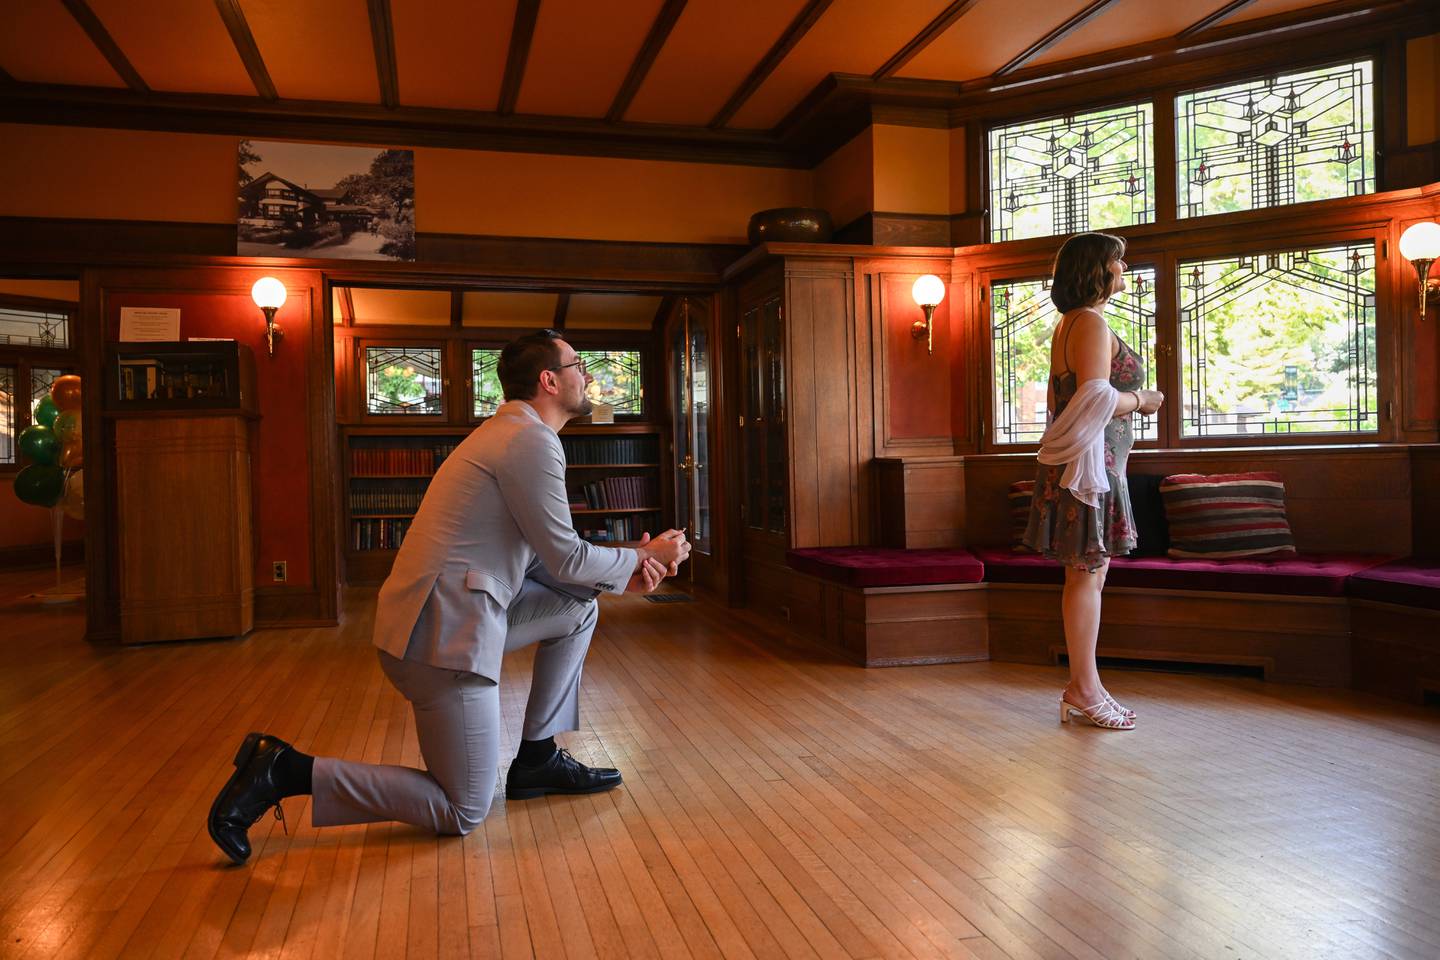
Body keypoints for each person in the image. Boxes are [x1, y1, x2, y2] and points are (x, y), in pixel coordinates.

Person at [208, 329, 691, 864]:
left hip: (437, 621)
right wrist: (650, 560)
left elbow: (541, 559)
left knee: (577, 609)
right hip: (442, 640)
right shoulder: (530, 440)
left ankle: (537, 756)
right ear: (550, 380)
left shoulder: (508, 432)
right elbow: (566, 558)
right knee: (464, 809)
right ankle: (284, 769)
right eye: (579, 364)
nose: (588, 374)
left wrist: (629, 568)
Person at [1023, 233, 1164, 731]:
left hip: (1093, 466)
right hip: (1091, 469)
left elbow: (1064, 399)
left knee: (1088, 575)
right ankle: (1082, 688)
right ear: (1097, 270)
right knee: (1086, 575)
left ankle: (1088, 684)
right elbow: (1095, 398)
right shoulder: (1089, 322)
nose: (1124, 268)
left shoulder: (1073, 322)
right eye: (1117, 261)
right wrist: (1142, 399)